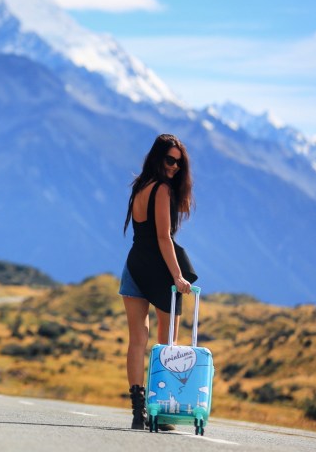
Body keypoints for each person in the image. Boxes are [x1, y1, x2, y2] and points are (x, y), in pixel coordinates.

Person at [120, 133, 196, 430]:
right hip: (159, 270)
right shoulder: (162, 189)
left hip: (134, 267)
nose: (174, 166)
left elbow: (150, 233)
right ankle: (160, 411)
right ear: (157, 157)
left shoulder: (140, 187)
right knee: (167, 343)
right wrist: (177, 275)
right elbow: (164, 237)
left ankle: (138, 411)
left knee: (137, 341)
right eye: (170, 160)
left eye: (179, 163)